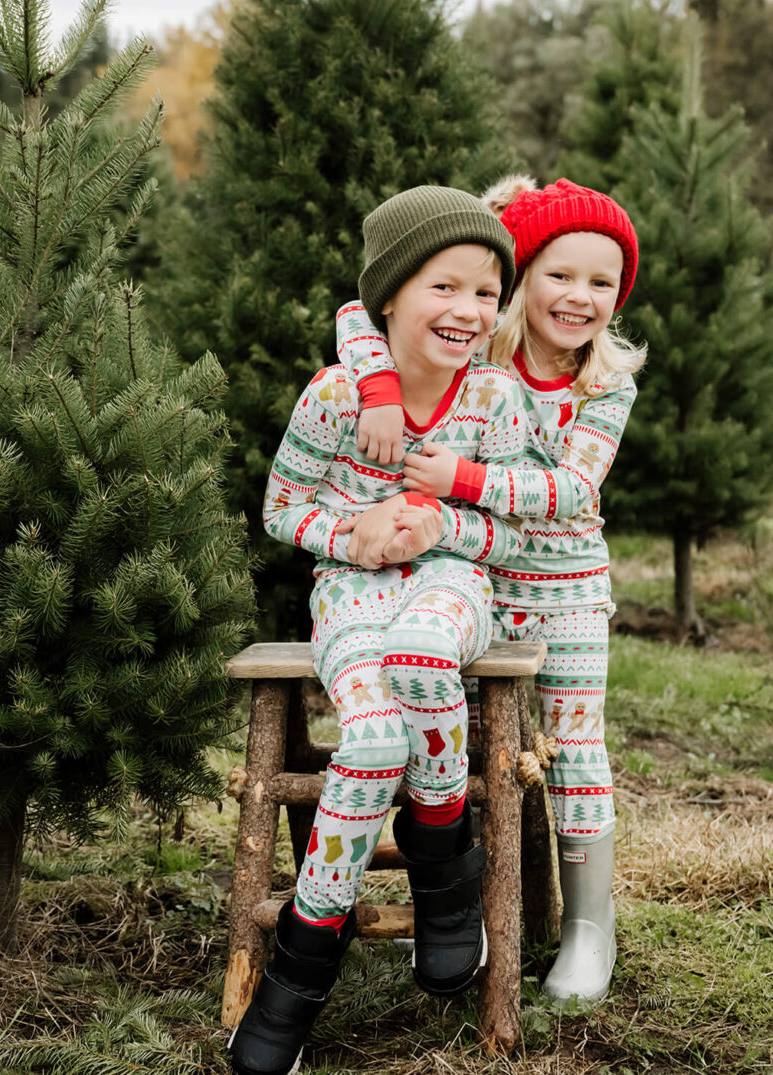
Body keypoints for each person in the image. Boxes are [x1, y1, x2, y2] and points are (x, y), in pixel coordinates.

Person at [230, 186, 532, 1075]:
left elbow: (513, 529)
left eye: (486, 292)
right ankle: (306, 948)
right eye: (446, 287)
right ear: (391, 295)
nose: (469, 311)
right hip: (351, 591)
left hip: (452, 584)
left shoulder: (494, 399)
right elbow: (283, 508)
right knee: (367, 736)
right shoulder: (333, 395)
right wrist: (351, 533)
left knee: (423, 663)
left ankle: (443, 863)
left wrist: (447, 525)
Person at [335, 175, 643, 1002]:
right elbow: (358, 316)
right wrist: (375, 388)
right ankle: (453, 909)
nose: (579, 297)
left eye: (602, 282)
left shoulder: (604, 385)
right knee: (454, 744)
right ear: (519, 278)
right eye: (560, 274)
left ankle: (586, 927)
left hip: (570, 590)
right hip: (472, 582)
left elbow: (573, 492)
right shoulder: (481, 351)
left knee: (577, 749)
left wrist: (460, 475)